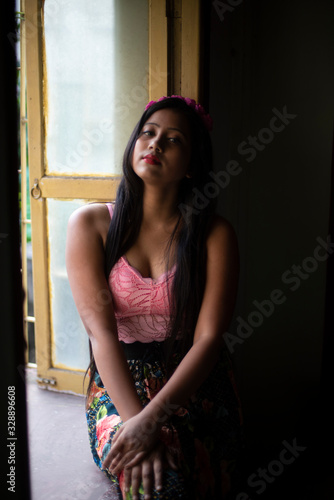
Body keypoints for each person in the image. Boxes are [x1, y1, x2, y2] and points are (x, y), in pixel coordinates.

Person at [66, 95, 243, 499]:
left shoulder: (214, 235)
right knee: (154, 483)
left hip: (193, 382)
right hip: (119, 382)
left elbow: (209, 339)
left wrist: (157, 417)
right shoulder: (91, 224)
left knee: (196, 476)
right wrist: (137, 423)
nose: (155, 144)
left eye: (174, 139)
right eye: (148, 133)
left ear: (193, 166)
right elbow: (102, 334)